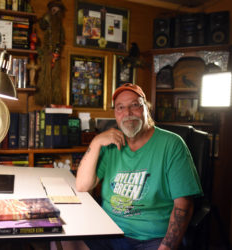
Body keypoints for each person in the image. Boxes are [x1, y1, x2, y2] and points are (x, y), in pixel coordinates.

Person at [76, 83, 203, 250]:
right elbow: (82, 185)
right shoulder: (111, 144)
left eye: (134, 105)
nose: (127, 113)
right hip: (109, 232)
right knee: (65, 239)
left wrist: (165, 247)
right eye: (120, 107)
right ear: (115, 114)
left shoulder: (171, 144)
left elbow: (184, 205)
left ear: (146, 109)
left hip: (152, 239)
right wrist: (97, 141)